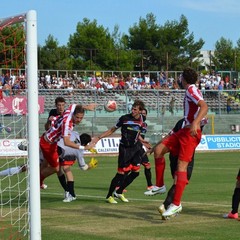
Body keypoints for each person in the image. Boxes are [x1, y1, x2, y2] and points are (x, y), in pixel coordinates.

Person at [150, 67, 208, 218]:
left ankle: (175, 204)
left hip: (190, 133)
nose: (179, 80)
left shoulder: (191, 89)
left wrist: (195, 122)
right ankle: (160, 185)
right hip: (183, 131)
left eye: (180, 77)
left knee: (181, 167)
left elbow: (204, 106)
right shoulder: (190, 90)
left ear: (183, 79)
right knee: (158, 150)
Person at [93, 99, 151, 204]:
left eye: (135, 109)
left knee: (135, 173)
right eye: (132, 109)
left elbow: (138, 134)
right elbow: (112, 130)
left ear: (140, 111)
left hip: (136, 148)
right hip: (125, 149)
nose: (133, 111)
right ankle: (109, 195)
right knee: (120, 174)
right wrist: (99, 137)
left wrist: (143, 142)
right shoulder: (124, 118)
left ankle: (119, 192)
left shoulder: (143, 120)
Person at [40, 103, 96, 187]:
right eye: (77, 117)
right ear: (73, 115)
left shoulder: (70, 110)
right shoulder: (67, 125)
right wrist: (84, 147)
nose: (79, 120)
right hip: (48, 144)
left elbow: (74, 105)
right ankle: (36, 182)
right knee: (55, 168)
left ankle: (38, 181)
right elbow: (66, 142)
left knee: (45, 164)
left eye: (81, 118)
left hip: (50, 141)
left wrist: (87, 107)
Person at [57, 131, 97, 202]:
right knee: (64, 170)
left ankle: (70, 193)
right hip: (61, 151)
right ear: (85, 144)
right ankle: (70, 193)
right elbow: (83, 167)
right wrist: (90, 165)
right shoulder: (79, 150)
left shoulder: (75, 133)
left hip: (58, 148)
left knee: (62, 170)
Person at [140, 108, 153, 191]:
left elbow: (141, 137)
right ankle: (119, 186)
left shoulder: (145, 124)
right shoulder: (136, 123)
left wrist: (147, 145)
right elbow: (137, 136)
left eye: (144, 114)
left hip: (140, 147)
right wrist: (146, 144)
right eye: (141, 113)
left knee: (147, 166)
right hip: (133, 148)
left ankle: (150, 185)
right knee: (129, 168)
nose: (143, 115)